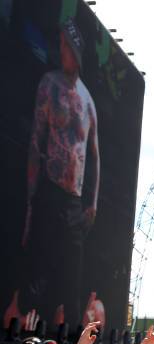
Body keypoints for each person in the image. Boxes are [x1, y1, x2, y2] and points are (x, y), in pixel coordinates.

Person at [21, 17, 99, 327]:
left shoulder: (88, 101)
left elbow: (94, 157)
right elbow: (35, 141)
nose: (63, 50)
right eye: (61, 45)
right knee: (39, 268)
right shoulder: (49, 84)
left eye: (68, 45)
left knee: (71, 278)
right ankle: (31, 336)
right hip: (48, 190)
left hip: (73, 201)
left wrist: (91, 204)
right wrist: (31, 199)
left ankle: (70, 339)